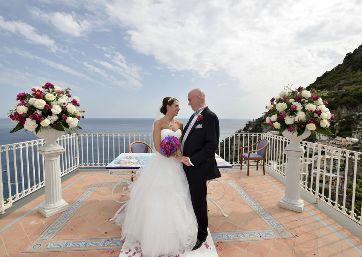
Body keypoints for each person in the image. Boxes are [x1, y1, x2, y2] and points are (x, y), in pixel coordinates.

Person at [114, 97, 197, 257]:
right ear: (168, 106)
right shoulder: (158, 123)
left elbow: (182, 144)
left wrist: (180, 155)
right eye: (176, 106)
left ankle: (175, 230)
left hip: (175, 166)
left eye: (179, 106)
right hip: (162, 164)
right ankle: (154, 233)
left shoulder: (180, 124)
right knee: (158, 196)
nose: (179, 108)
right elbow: (158, 147)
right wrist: (173, 154)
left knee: (177, 196)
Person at [179, 88, 221, 250]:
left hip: (197, 168)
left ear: (198, 97)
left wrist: (191, 160)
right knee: (189, 198)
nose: (188, 102)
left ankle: (202, 234)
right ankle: (191, 225)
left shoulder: (210, 117)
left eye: (189, 99)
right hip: (186, 165)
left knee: (198, 201)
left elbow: (211, 146)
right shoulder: (194, 116)